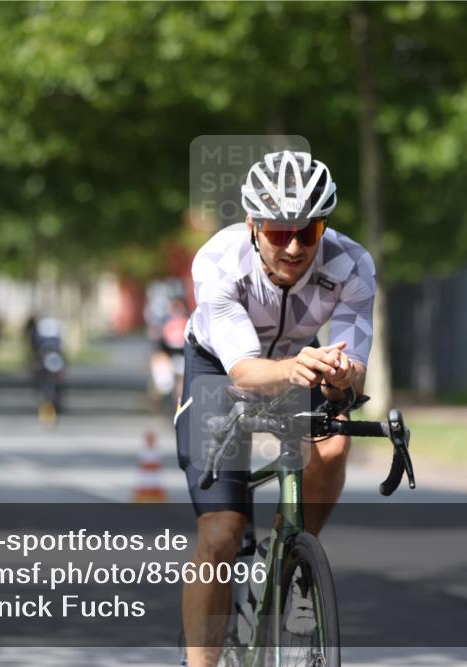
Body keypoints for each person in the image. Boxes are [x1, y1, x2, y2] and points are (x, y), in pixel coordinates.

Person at [176, 150, 376, 665]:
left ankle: (294, 558)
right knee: (220, 535)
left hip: (299, 362)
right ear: (252, 224)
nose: (293, 246)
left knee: (333, 443)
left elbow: (352, 368)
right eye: (278, 230)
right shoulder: (220, 262)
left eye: (307, 233)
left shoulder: (351, 264)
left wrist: (342, 380)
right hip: (221, 368)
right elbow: (243, 371)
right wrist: (301, 369)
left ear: (323, 229)